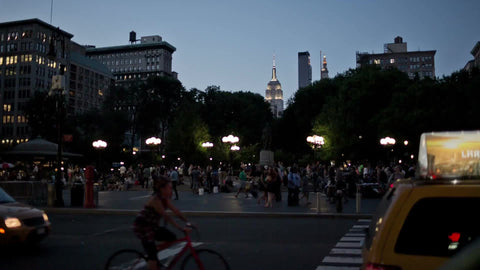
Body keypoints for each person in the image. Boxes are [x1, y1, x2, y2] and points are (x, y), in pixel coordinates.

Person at [133, 175, 192, 270]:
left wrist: (188, 222)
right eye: (169, 188)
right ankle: (152, 257)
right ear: (162, 189)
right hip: (143, 227)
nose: (171, 190)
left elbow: (176, 211)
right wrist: (181, 228)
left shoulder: (164, 199)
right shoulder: (155, 200)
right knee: (152, 258)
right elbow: (166, 216)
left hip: (152, 226)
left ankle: (153, 252)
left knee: (171, 237)